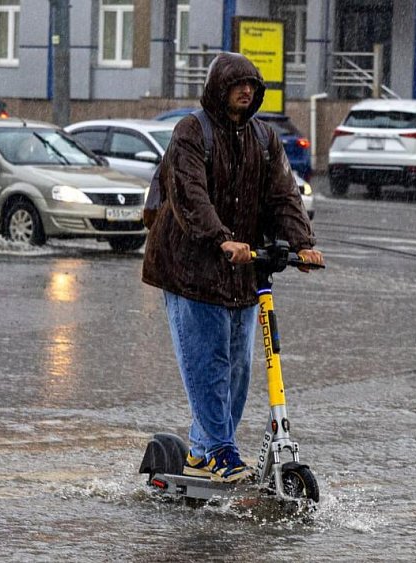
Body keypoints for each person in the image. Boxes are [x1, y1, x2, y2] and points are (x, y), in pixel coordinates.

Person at [141, 52, 323, 483]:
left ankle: (203, 453)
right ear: (218, 89)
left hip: (242, 271)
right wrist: (221, 238)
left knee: (238, 372)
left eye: (252, 86)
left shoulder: (263, 138)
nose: (246, 92)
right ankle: (221, 451)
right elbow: (189, 196)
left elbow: (283, 193)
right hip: (190, 268)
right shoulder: (191, 132)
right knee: (208, 365)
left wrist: (303, 244)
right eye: (237, 85)